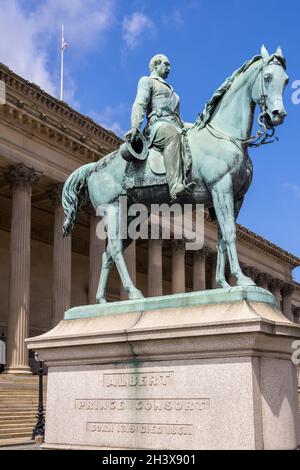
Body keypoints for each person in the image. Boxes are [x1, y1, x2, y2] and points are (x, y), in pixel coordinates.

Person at [126, 54, 192, 201]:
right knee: (173, 135)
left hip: (175, 124)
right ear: (156, 65)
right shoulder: (147, 81)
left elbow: (178, 119)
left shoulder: (174, 93)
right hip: (156, 126)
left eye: (169, 65)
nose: (169, 68)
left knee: (194, 135)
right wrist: (135, 125)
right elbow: (140, 103)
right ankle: (175, 185)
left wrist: (198, 126)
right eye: (166, 64)